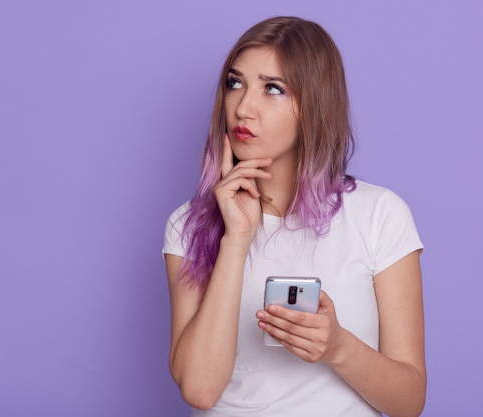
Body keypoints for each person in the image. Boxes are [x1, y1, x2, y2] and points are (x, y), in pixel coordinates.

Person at [162, 16, 426, 417]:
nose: (243, 108)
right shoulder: (188, 226)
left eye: (273, 89)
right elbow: (199, 389)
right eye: (235, 83)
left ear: (314, 106)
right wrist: (236, 239)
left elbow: (410, 401)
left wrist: (338, 347)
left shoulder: (379, 214)